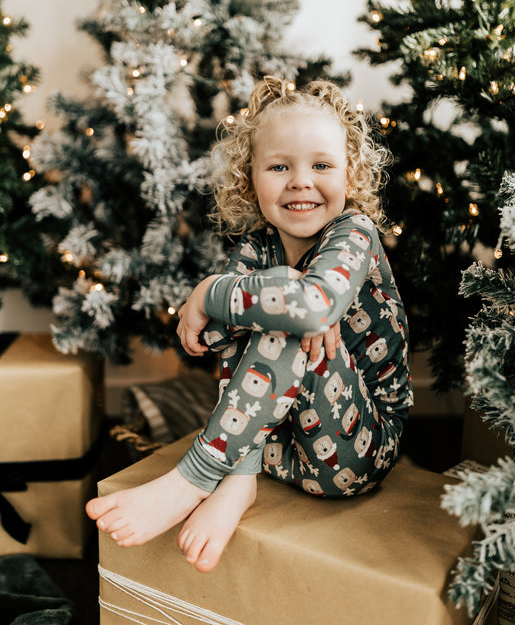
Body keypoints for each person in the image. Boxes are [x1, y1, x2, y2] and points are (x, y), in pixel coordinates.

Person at [86, 77, 413, 573]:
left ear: (350, 177)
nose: (301, 181)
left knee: (290, 313)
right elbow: (218, 337)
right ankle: (237, 477)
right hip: (274, 448)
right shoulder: (258, 247)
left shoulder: (355, 233)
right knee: (280, 309)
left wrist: (214, 292)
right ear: (250, 179)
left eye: (322, 165)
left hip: (357, 448)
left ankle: (195, 477)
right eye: (279, 166)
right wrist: (277, 298)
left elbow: (310, 305)